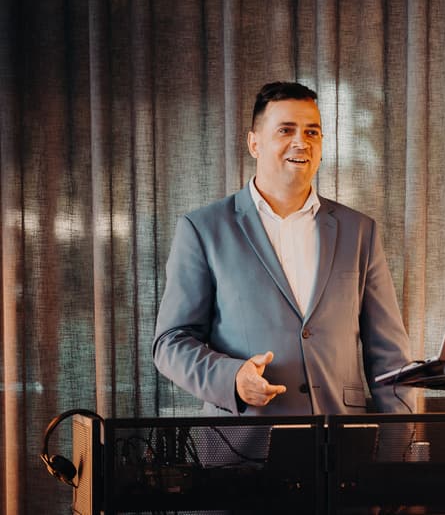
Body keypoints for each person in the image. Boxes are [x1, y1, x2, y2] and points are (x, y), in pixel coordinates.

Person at [153, 81, 415, 416]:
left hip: (340, 445)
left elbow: (390, 355)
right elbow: (170, 343)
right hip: (241, 445)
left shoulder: (360, 230)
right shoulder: (203, 229)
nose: (300, 142)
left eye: (312, 132)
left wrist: (403, 449)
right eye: (286, 130)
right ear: (254, 143)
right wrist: (232, 378)